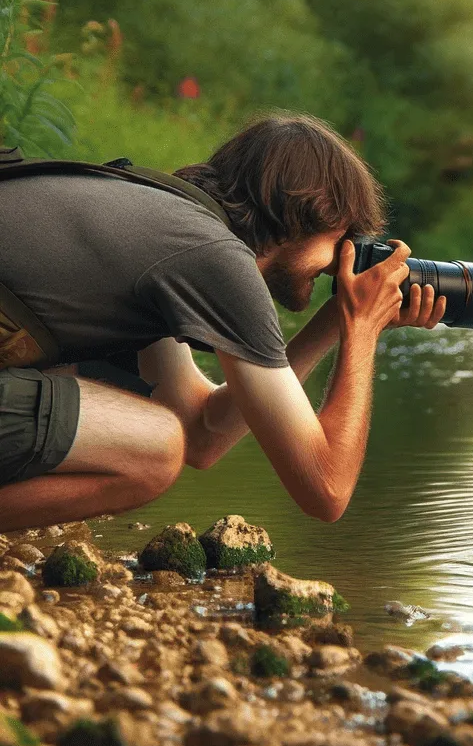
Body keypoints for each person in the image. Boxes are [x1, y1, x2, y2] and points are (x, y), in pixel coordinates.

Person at [0, 113, 445, 530]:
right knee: (154, 447)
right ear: (306, 213)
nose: (339, 261)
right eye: (341, 239)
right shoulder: (215, 259)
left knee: (162, 438)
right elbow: (326, 490)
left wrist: (337, 320)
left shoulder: (168, 225)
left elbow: (202, 432)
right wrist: (362, 333)